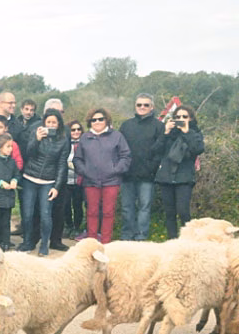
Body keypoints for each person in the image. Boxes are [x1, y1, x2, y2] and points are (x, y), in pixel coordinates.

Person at [16, 108, 70, 256]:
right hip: (30, 178)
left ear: (59, 124)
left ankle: (44, 245)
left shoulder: (63, 140)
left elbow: (61, 165)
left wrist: (57, 187)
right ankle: (27, 242)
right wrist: (37, 139)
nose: (51, 125)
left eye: (54, 122)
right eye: (48, 122)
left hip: (48, 181)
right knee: (27, 214)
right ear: (44, 123)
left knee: (46, 214)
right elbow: (28, 153)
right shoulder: (36, 133)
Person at [73, 108, 131, 244]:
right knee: (91, 212)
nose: (97, 122)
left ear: (106, 120)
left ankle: (106, 243)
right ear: (89, 122)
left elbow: (126, 156)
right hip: (90, 181)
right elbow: (77, 159)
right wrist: (85, 171)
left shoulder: (117, 136)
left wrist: (115, 169)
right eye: (94, 120)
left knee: (108, 212)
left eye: (100, 119)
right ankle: (92, 243)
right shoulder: (85, 138)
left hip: (111, 181)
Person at [153, 105, 204, 239]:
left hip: (184, 178)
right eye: (178, 117)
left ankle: (187, 240)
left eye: (184, 117)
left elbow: (197, 149)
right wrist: (165, 132)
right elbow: (156, 150)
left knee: (183, 212)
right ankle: (172, 241)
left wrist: (187, 132)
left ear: (191, 118)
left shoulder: (195, 133)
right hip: (166, 177)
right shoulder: (169, 134)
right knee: (169, 213)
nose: (181, 119)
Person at [118, 93, 162, 241]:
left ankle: (141, 236)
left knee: (144, 208)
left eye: (146, 105)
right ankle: (127, 235)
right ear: (135, 106)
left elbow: (160, 150)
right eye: (139, 105)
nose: (142, 107)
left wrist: (152, 168)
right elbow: (118, 148)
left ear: (152, 107)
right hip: (127, 174)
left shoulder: (158, 126)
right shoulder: (126, 125)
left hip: (147, 176)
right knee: (126, 207)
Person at [65, 121, 85, 238]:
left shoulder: (85, 144)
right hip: (66, 179)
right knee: (66, 205)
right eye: (73, 130)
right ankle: (68, 225)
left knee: (77, 205)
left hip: (79, 180)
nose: (76, 132)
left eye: (78, 129)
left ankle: (77, 227)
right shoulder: (65, 143)